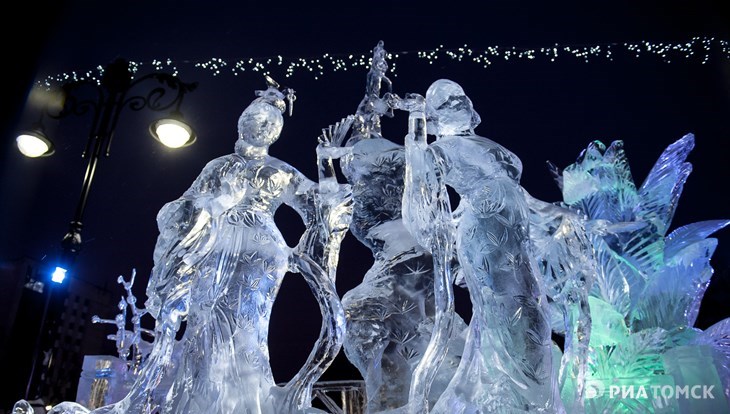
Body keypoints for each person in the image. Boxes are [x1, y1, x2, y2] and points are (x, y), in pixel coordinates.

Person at [100, 77, 350, 414]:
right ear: (241, 121)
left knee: (247, 330)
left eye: (268, 123)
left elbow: (319, 207)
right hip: (214, 251)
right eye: (254, 118)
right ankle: (201, 402)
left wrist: (326, 163)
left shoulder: (279, 171)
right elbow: (185, 209)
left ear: (275, 133)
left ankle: (246, 402)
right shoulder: (217, 167)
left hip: (260, 255)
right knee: (204, 326)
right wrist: (215, 204)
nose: (259, 125)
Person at [390, 79, 564, 413]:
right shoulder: (440, 150)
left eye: (459, 96)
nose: (456, 103)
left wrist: (554, 216)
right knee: (510, 315)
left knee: (533, 314)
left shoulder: (488, 145)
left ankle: (525, 402)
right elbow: (422, 196)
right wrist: (415, 128)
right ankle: (510, 402)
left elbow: (517, 193)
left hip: (516, 239)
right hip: (485, 238)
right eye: (445, 102)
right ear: (435, 116)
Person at [317, 42, 465, 413]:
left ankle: (403, 402)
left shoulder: (401, 162)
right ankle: (396, 401)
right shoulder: (359, 184)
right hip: (395, 264)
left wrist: (387, 94)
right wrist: (325, 163)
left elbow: (421, 162)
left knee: (379, 319)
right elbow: (328, 209)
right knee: (370, 320)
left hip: (415, 259)